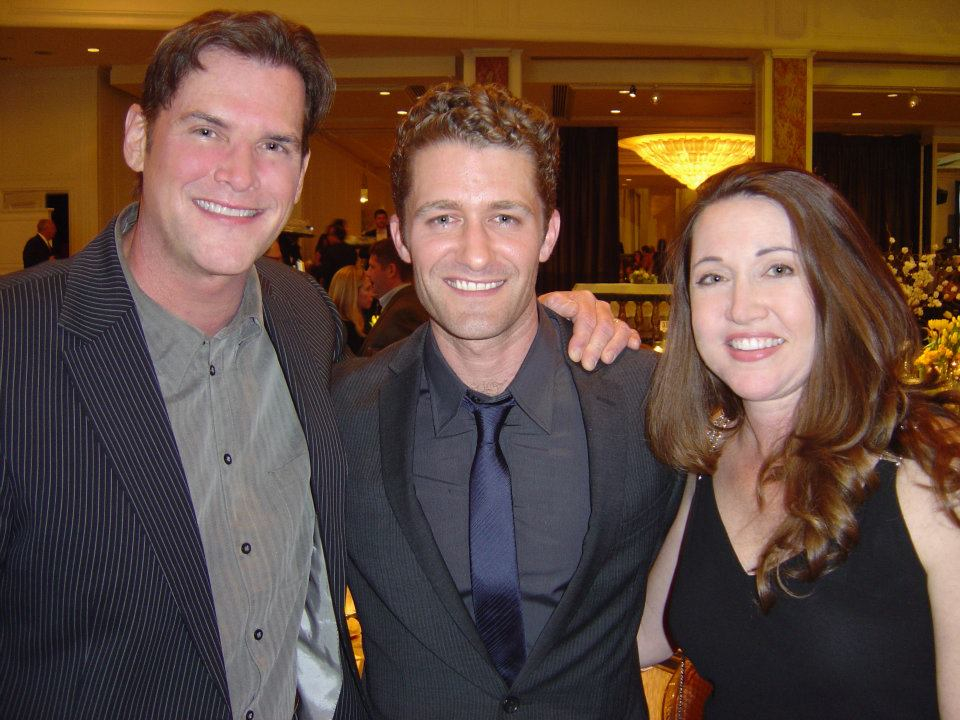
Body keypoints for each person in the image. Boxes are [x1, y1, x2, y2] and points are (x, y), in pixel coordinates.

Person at [0, 12, 370, 719]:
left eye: (273, 145)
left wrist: (540, 328)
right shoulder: (14, 347)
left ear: (300, 172)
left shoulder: (303, 317)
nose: (239, 175)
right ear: (139, 137)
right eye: (207, 131)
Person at [299, 83, 682, 719]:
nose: (474, 252)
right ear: (400, 236)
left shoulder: (647, 400)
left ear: (549, 232)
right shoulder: (340, 414)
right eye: (442, 217)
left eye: (505, 217)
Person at [637, 163, 960, 719]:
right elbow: (637, 638)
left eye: (778, 269)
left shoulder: (929, 475)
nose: (742, 308)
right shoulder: (709, 458)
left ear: (837, 283)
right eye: (713, 277)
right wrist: (551, 335)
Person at [359, 237, 429, 355]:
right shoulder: (401, 303)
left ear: (391, 270)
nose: (367, 273)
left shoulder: (405, 311)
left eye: (372, 267)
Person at [328, 264, 374, 355]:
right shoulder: (344, 330)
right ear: (352, 293)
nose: (373, 294)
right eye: (368, 289)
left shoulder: (363, 318)